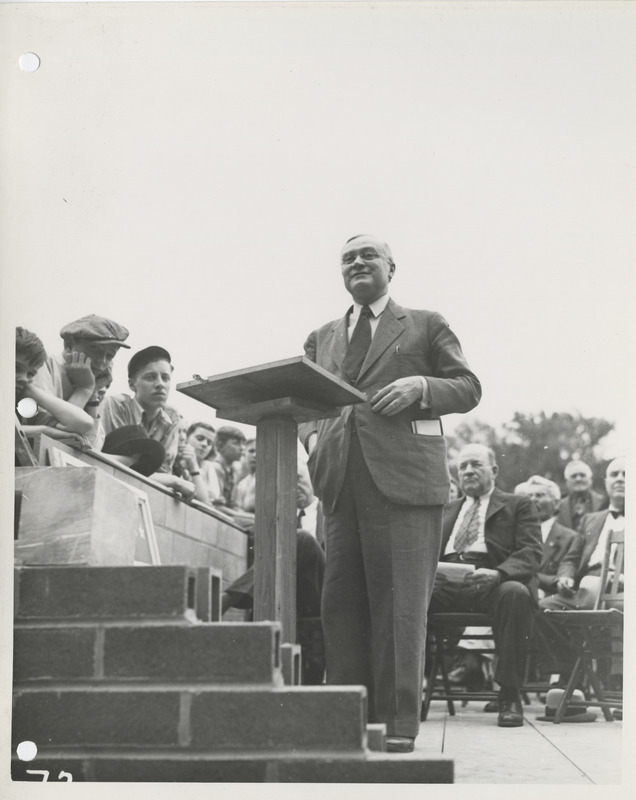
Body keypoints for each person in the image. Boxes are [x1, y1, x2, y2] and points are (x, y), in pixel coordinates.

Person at [298, 234, 481, 752]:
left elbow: (468, 385)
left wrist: (422, 387)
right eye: (347, 257)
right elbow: (309, 400)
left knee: (400, 604)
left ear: (391, 268)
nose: (357, 263)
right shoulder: (321, 336)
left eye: (367, 255)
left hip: (403, 482)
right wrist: (313, 439)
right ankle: (348, 719)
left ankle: (398, 724)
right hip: (338, 482)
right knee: (341, 604)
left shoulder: (425, 323)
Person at [430, 443, 543, 728]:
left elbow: (531, 552)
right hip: (445, 582)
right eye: (463, 466)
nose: (468, 470)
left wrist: (499, 574)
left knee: (516, 593)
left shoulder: (519, 505)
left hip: (494, 583)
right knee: (405, 595)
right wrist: (430, 573)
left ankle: (508, 695)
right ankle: (401, 693)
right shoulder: (445, 509)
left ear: (493, 470)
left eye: (476, 464)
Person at [222, 468, 326, 684]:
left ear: (313, 478)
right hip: (293, 598)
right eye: (286, 482)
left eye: (298, 478)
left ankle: (226, 600)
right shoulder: (281, 516)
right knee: (285, 542)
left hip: (326, 586)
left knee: (302, 539)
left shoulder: (328, 512)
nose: (293, 486)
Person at [101, 346, 194, 498]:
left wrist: (169, 479)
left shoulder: (172, 416)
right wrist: (175, 482)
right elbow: (116, 468)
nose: (160, 384)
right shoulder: (116, 405)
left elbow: (162, 471)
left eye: (165, 377)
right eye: (150, 377)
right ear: (132, 385)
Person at [29, 314, 131, 449]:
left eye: (110, 355)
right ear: (69, 344)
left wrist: (92, 394)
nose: (102, 361)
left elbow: (93, 447)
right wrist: (84, 390)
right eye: (95, 349)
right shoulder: (43, 365)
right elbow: (57, 438)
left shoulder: (90, 380)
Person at [540, 457, 625, 612]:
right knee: (542, 608)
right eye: (614, 474)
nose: (620, 479)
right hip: (585, 588)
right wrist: (565, 576)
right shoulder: (590, 519)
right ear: (606, 482)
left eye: (626, 474)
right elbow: (571, 558)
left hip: (622, 592)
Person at [15, 326, 94, 446]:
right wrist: (44, 430)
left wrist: (30, 390)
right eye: (16, 368)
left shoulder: (22, 402)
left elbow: (84, 423)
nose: (24, 378)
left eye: (30, 374)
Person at [523, 475, 581, 600]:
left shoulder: (570, 538)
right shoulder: (515, 533)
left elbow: (565, 573)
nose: (533, 500)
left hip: (548, 600)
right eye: (529, 496)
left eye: (539, 495)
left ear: (556, 503)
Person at [556, 459, 607, 532]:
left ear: (590, 480)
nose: (578, 479)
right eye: (574, 476)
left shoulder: (604, 503)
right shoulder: (557, 506)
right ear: (567, 482)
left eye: (582, 475)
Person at [173, 421, 217, 504]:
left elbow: (204, 502)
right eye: (200, 438)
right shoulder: (172, 458)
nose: (205, 444)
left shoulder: (201, 468)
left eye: (209, 443)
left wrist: (194, 466)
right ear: (187, 437)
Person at [210, 426, 246, 509]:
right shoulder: (216, 467)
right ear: (221, 445)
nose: (242, 448)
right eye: (236, 443)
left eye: (243, 444)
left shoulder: (232, 470)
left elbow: (234, 506)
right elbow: (217, 507)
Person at [234, 438, 257, 513]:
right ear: (244, 454)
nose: (255, 455)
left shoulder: (269, 480)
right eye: (251, 451)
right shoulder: (242, 483)